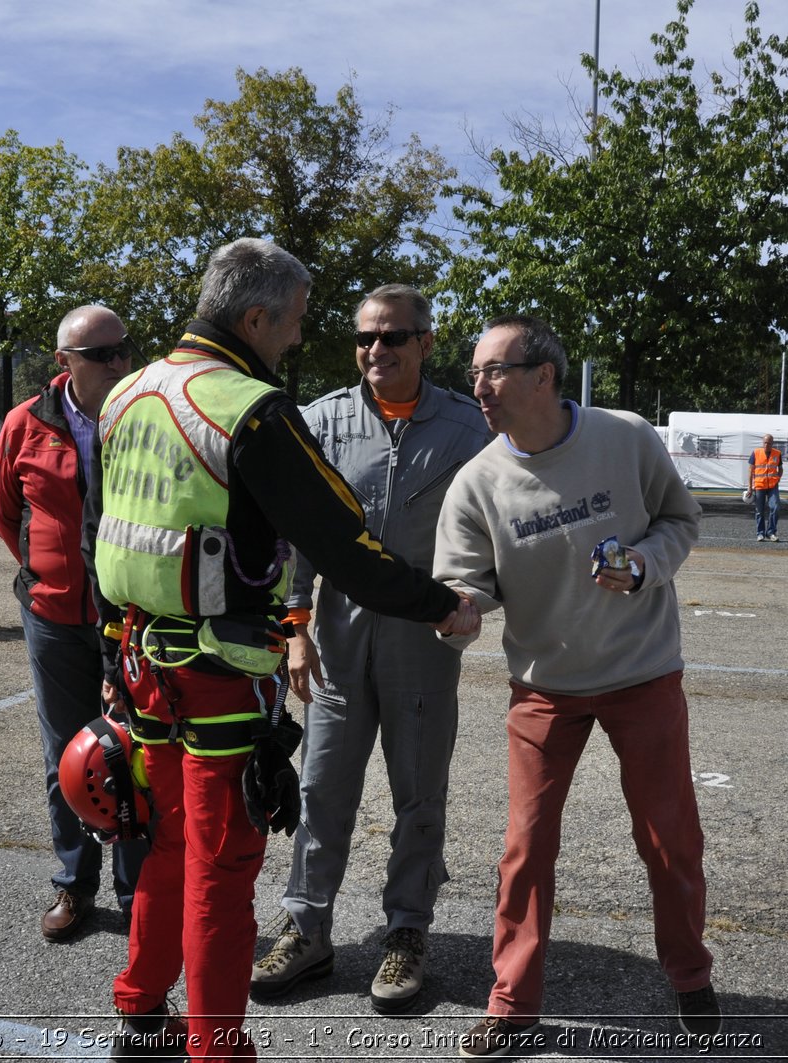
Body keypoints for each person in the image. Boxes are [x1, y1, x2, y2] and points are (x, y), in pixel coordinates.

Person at [93, 238, 476, 1062]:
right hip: (218, 675)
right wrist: (442, 602)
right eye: (296, 322)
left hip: (137, 663)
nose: (298, 340)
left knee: (158, 839)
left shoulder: (127, 392)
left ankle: (139, 1010)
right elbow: (348, 549)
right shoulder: (252, 407)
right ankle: (217, 1049)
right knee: (222, 869)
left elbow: (108, 534)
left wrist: (110, 663)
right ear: (256, 316)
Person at [433, 315, 716, 1056]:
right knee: (525, 847)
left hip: (643, 672)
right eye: (475, 373)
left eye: (494, 370)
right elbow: (466, 586)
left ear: (544, 375)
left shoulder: (624, 437)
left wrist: (646, 564)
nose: (480, 387)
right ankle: (512, 1002)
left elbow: (681, 519)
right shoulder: (478, 482)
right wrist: (458, 614)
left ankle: (690, 975)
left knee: (669, 840)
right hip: (544, 687)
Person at [251, 283, 491, 1014]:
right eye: (364, 338)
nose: (375, 350)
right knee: (322, 786)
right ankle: (307, 927)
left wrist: (477, 597)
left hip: (422, 635)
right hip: (336, 634)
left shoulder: (466, 427)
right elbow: (293, 532)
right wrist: (294, 627)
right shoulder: (321, 419)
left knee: (420, 791)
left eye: (392, 337)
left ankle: (407, 932)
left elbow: (495, 520)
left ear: (425, 341)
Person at [0, 304, 147, 943]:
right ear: (65, 363)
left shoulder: (145, 415)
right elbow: (6, 513)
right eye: (103, 354)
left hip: (133, 617)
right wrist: (48, 577)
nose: (119, 362)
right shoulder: (24, 423)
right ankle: (72, 884)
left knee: (135, 755)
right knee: (66, 758)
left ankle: (138, 892)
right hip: (54, 617)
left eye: (124, 349)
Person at [748, 433, 783, 541]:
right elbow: (750, 471)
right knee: (760, 511)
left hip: (773, 485)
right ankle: (760, 533)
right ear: (762, 443)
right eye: (765, 442)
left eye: (769, 443)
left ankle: (771, 532)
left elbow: (780, 468)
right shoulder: (756, 453)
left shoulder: (777, 453)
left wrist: (778, 478)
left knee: (775, 507)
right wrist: (750, 487)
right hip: (759, 485)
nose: (767, 445)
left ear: (772, 443)